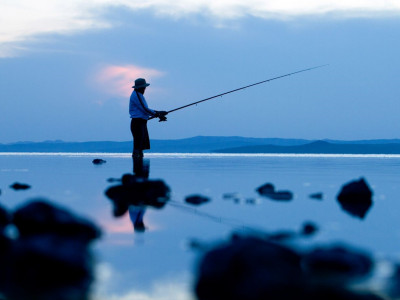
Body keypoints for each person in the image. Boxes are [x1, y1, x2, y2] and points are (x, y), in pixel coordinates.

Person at [129, 78, 167, 157]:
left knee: (140, 146)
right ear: (140, 88)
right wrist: (157, 113)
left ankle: (138, 166)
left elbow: (145, 110)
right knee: (138, 146)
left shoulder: (138, 95)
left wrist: (157, 113)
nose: (145, 89)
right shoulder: (136, 95)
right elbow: (144, 109)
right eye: (144, 87)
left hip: (141, 122)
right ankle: (137, 165)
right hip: (138, 123)